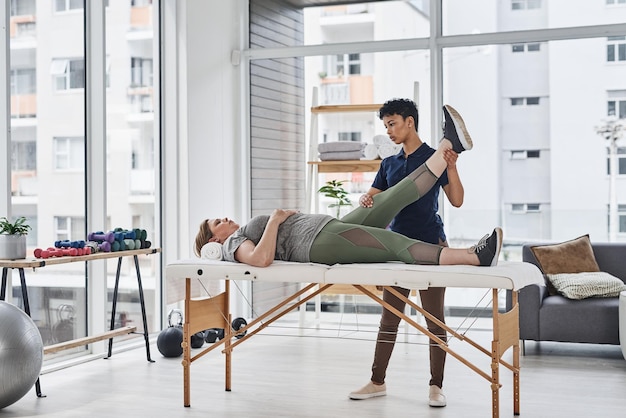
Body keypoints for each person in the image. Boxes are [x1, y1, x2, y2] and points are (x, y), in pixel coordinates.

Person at [194, 106, 499, 274]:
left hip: (327, 227)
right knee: (394, 244)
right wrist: (275, 219)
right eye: (216, 223)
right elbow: (261, 260)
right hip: (318, 243)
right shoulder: (234, 244)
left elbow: (452, 199)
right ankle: (474, 256)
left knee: (393, 196)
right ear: (212, 242)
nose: (225, 219)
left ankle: (449, 144)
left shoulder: (237, 234)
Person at [348, 101, 466, 407]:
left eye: (392, 124)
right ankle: (377, 382)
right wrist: (366, 198)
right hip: (397, 249)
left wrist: (452, 166)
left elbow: (456, 200)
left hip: (431, 246)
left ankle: (436, 387)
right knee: (390, 320)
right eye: (385, 125)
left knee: (434, 321)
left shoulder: (434, 159)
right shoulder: (389, 164)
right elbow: (373, 199)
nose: (388, 131)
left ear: (409, 122)